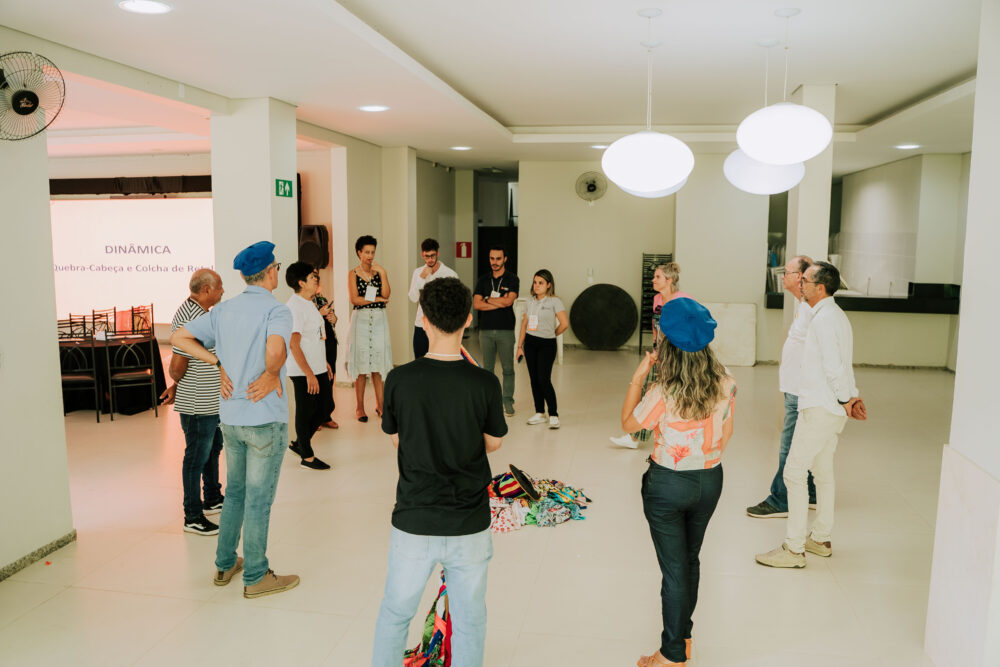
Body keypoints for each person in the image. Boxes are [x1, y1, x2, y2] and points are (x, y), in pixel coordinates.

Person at [372, 277, 506, 667]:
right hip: (468, 522)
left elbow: (396, 438)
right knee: (469, 620)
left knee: (396, 614)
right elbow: (494, 442)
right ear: (468, 320)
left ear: (424, 319)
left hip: (414, 519)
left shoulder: (399, 379)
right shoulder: (484, 382)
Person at [171, 241, 299, 599]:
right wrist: (271, 373)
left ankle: (225, 563)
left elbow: (179, 336)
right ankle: (256, 576)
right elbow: (275, 350)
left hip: (231, 418)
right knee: (258, 499)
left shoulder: (224, 310)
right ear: (271, 272)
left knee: (236, 494)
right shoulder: (277, 310)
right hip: (264, 419)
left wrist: (218, 363)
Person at [621, 297, 736, 667]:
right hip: (710, 480)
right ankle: (683, 639)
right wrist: (702, 459)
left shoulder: (663, 391)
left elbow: (629, 424)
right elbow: (726, 432)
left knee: (674, 571)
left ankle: (671, 656)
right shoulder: (726, 382)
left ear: (665, 342)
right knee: (690, 559)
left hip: (667, 485)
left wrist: (639, 376)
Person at [755, 261, 867, 569]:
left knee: (794, 473)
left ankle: (793, 549)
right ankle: (820, 538)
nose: (799, 284)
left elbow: (834, 367)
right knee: (822, 473)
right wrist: (850, 398)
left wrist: (846, 398)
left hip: (820, 409)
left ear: (821, 287)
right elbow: (844, 364)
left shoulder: (823, 320)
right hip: (831, 409)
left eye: (804, 280)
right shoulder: (835, 316)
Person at [746, 255, 818, 518]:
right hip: (794, 388)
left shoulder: (812, 309)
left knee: (788, 447)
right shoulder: (803, 305)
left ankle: (781, 499)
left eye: (787, 272)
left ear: (800, 278)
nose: (782, 276)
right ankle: (810, 493)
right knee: (797, 444)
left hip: (801, 391)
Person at [159, 269, 226, 536]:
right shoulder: (191, 317)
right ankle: (193, 516)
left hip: (209, 398)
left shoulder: (200, 312)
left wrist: (177, 385)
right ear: (207, 290)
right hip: (198, 401)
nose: (222, 291)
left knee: (213, 448)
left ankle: (212, 497)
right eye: (219, 287)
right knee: (196, 456)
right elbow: (177, 366)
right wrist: (177, 384)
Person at [611, 262, 692, 449]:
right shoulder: (657, 299)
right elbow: (656, 326)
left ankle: (674, 434)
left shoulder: (684, 299)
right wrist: (656, 348)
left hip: (679, 355)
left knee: (674, 394)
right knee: (650, 391)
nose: (653, 280)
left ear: (669, 280)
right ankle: (634, 437)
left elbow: (693, 327)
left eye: (657, 277)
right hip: (660, 353)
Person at [284, 262, 333, 471]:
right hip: (303, 370)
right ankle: (307, 456)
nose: (316, 279)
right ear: (301, 283)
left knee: (326, 407)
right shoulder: (294, 307)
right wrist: (309, 374)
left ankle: (299, 443)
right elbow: (294, 344)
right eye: (312, 277)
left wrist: (324, 363)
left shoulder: (308, 302)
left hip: (316, 366)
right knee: (306, 410)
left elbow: (314, 337)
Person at [347, 235, 392, 422]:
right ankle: (360, 407)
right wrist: (376, 299)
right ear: (359, 253)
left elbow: (386, 295)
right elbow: (355, 299)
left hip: (379, 319)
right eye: (366, 252)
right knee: (361, 364)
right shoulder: (353, 273)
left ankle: (380, 405)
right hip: (361, 321)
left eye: (372, 252)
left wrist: (383, 273)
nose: (370, 256)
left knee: (378, 365)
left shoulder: (378, 272)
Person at [516, 269, 568, 429]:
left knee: (544, 379)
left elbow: (564, 324)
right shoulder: (529, 301)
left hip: (547, 344)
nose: (537, 286)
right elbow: (524, 324)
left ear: (549, 285)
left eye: (541, 283)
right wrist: (519, 346)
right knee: (534, 379)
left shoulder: (555, 302)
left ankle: (553, 414)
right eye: (535, 282)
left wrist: (552, 334)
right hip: (530, 343)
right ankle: (540, 412)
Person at [473, 245, 519, 417]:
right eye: (492, 258)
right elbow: (476, 304)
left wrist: (487, 299)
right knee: (488, 370)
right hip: (485, 331)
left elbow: (508, 302)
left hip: (505, 330)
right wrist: (498, 300)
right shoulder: (483, 280)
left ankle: (507, 401)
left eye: (498, 258)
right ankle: (490, 403)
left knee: (508, 369)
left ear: (505, 259)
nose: (495, 262)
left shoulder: (512, 279)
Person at [408, 237, 458, 359]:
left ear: (438, 254)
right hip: (421, 324)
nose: (430, 259)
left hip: (441, 326)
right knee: (420, 360)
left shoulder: (450, 274)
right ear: (422, 255)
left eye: (432, 256)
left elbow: (455, 302)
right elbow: (413, 298)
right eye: (427, 256)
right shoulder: (418, 272)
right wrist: (421, 278)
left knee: (440, 362)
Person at [313, 282, 339, 429]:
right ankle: (315, 417)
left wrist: (333, 318)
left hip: (329, 341)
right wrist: (319, 314)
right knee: (317, 379)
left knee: (330, 378)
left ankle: (326, 415)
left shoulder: (322, 299)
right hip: (315, 343)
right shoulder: (303, 302)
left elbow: (331, 321)